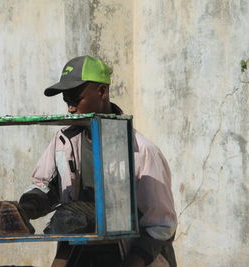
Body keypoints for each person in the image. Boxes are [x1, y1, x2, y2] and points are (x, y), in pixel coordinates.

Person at [19, 55, 177, 267]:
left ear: (102, 92)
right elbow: (45, 186)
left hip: (129, 257)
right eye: (67, 102)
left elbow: (161, 225)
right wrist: (25, 208)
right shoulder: (64, 141)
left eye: (76, 101)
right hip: (80, 256)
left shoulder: (142, 151)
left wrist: (132, 262)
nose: (70, 109)